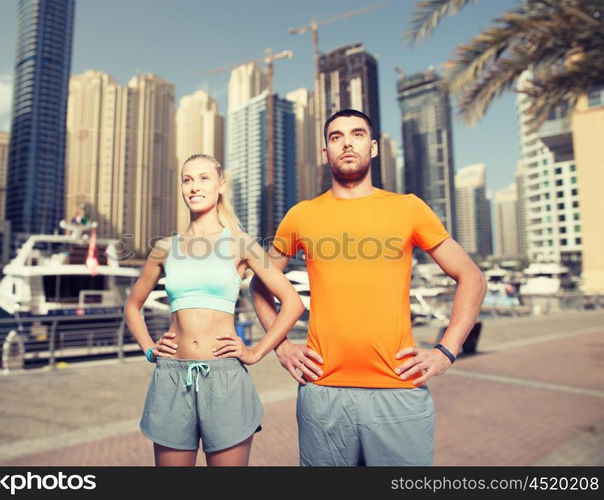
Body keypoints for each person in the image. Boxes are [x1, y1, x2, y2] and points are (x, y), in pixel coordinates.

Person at [251, 109, 487, 466]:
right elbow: (260, 285)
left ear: (373, 148)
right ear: (325, 152)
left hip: (398, 393)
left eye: (357, 134)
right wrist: (281, 348)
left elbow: (472, 277)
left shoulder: (408, 208)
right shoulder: (301, 215)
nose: (347, 142)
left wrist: (446, 351)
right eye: (336, 137)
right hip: (323, 394)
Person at [124, 153, 304, 466]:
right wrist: (150, 350)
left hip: (224, 378)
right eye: (187, 179)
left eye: (204, 178)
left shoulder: (240, 243)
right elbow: (132, 306)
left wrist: (256, 352)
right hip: (171, 377)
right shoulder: (165, 247)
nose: (194, 187)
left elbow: (292, 302)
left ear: (220, 185)